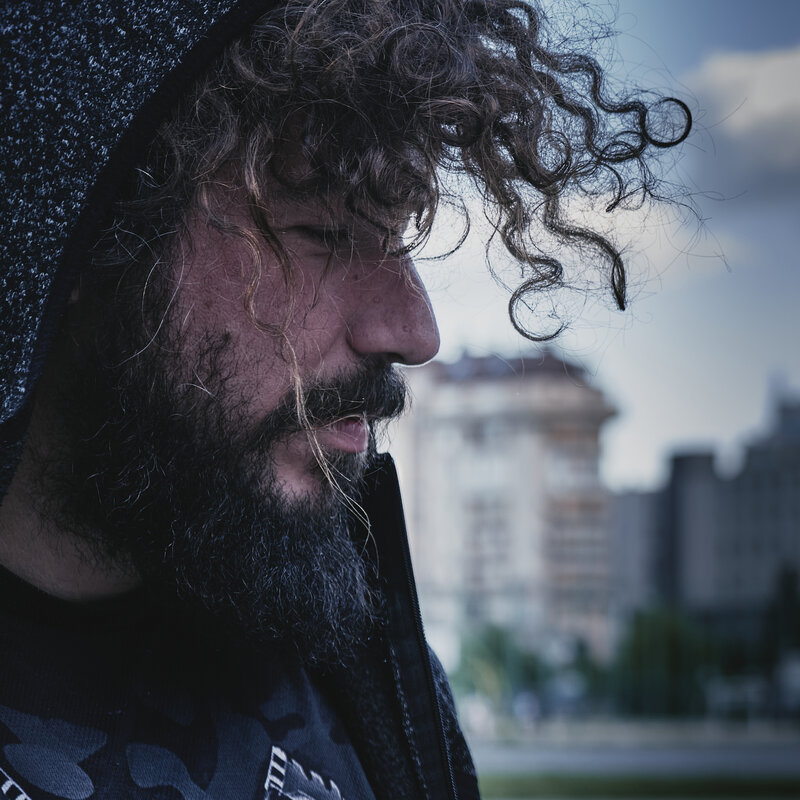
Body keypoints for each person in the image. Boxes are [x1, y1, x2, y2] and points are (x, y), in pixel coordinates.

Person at [0, 1, 690, 797]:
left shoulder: (352, 664)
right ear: (87, 236)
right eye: (323, 233)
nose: (415, 331)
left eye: (400, 237)